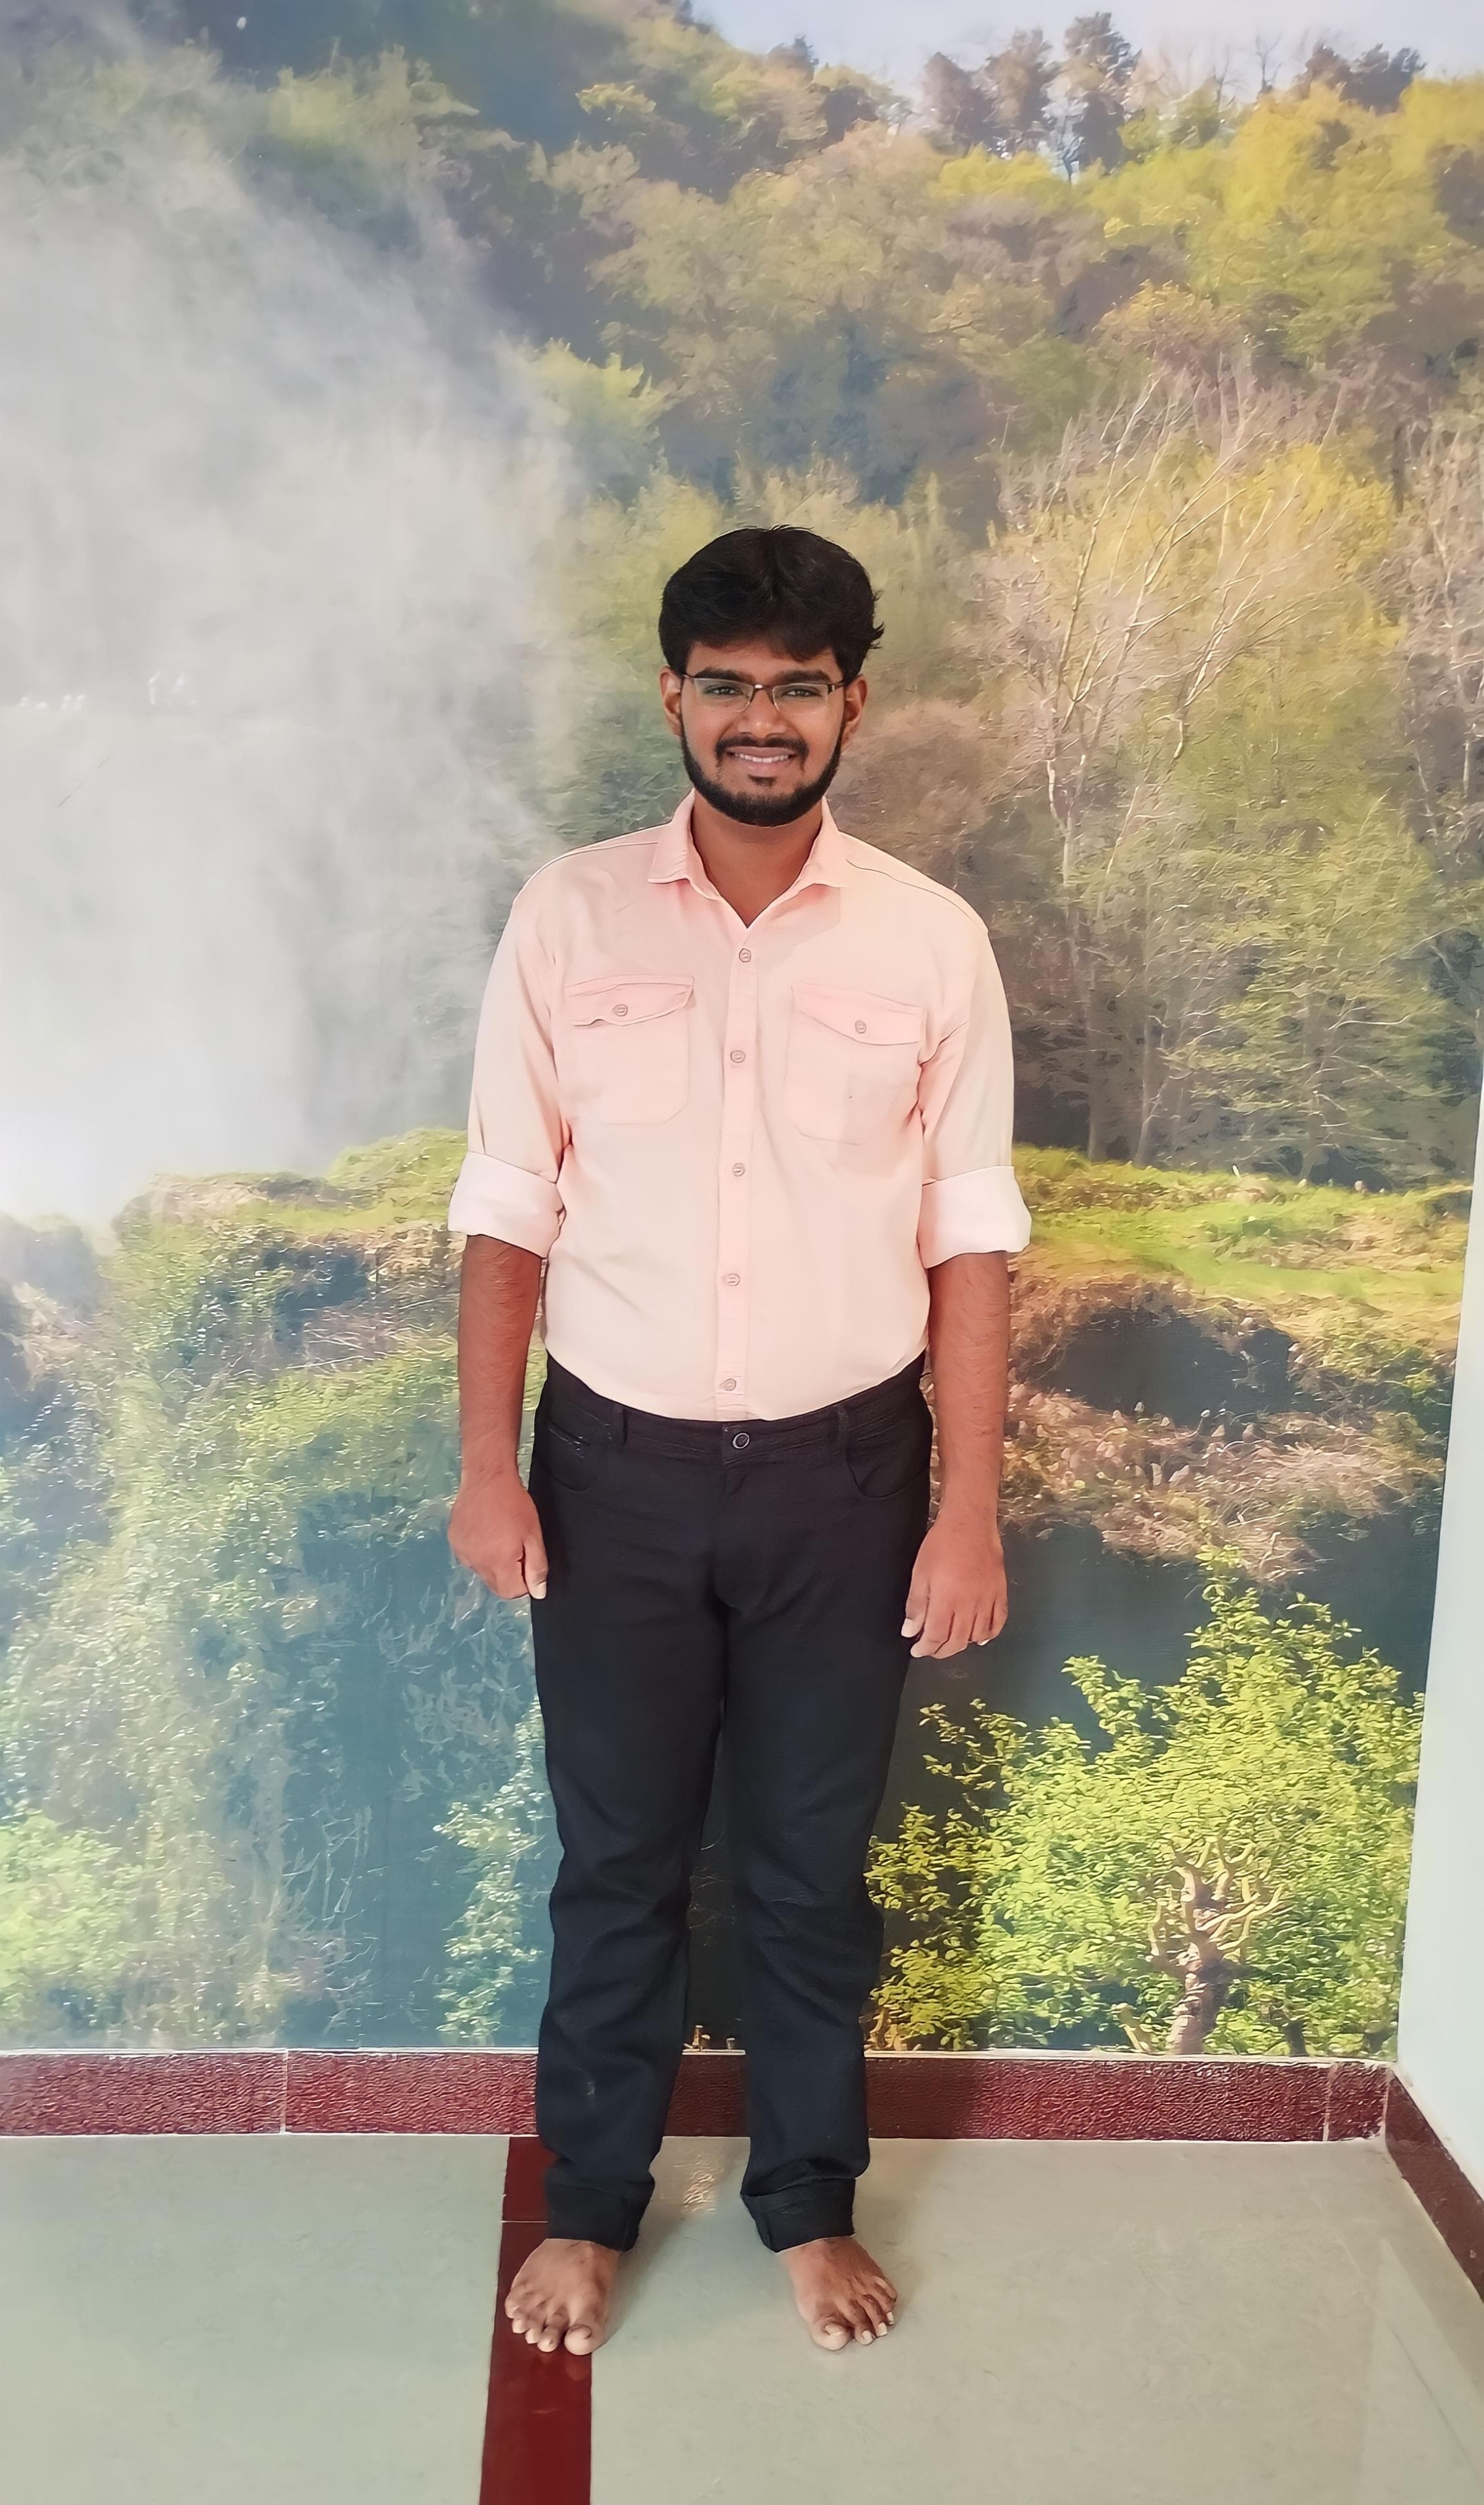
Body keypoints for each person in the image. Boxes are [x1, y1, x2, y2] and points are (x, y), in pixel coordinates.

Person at [446, 525, 1031, 2360]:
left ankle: (806, 2202)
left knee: (806, 1866)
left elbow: (969, 1237)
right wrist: (486, 1465)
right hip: (607, 1477)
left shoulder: (930, 939)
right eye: (726, 683)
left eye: (797, 686)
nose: (759, 718)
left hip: (845, 1485)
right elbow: (506, 1206)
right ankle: (590, 2208)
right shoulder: (567, 919)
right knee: (617, 1861)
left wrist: (967, 1509)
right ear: (673, 695)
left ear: (852, 702)